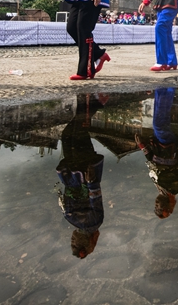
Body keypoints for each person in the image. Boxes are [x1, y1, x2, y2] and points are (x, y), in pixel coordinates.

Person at [57, 94, 106, 258]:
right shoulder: (94, 222)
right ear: (85, 244)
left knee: (68, 135)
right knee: (78, 133)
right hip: (84, 175)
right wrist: (92, 183)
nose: (72, 240)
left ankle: (91, 103)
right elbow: (96, 199)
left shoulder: (74, 222)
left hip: (72, 174)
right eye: (74, 244)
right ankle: (90, 101)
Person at [135, 88, 178, 219]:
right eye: (159, 207)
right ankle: (168, 90)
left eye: (155, 207)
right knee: (159, 125)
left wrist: (142, 146)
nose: (156, 204)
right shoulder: (173, 189)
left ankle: (162, 90)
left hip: (157, 147)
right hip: (168, 148)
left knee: (159, 119)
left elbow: (152, 162)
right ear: (167, 205)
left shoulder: (160, 188)